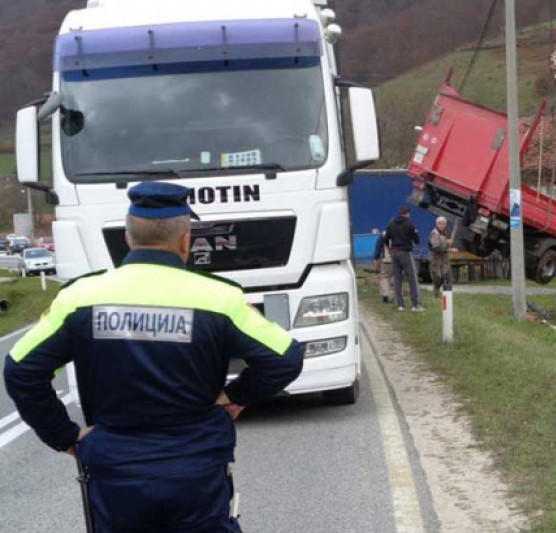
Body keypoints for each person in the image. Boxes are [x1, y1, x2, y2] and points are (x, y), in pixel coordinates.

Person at [4, 182, 304, 533]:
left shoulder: (80, 298)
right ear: (185, 239)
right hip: (196, 469)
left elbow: (21, 371)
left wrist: (65, 436)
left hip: (116, 471)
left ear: (129, 239)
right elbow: (285, 358)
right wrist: (235, 396)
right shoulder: (219, 298)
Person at [384, 206, 424, 312]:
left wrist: (390, 249)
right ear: (407, 213)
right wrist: (416, 242)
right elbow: (416, 239)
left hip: (394, 253)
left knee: (397, 280)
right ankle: (416, 305)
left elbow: (385, 238)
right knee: (412, 279)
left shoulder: (391, 224)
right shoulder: (409, 223)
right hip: (405, 252)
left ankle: (400, 305)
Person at [429, 217, 454, 298]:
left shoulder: (445, 233)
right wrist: (448, 247)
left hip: (445, 261)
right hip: (436, 261)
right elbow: (436, 247)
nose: (441, 225)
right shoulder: (434, 233)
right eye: (440, 224)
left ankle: (447, 296)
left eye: (443, 224)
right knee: (437, 280)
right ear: (436, 224)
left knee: (448, 278)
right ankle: (435, 296)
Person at [373, 229, 394, 303]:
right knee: (395, 278)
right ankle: (394, 295)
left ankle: (385, 294)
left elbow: (378, 247)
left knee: (385, 278)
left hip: (385, 260)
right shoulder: (399, 232)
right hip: (396, 260)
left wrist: (376, 258)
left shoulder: (383, 235)